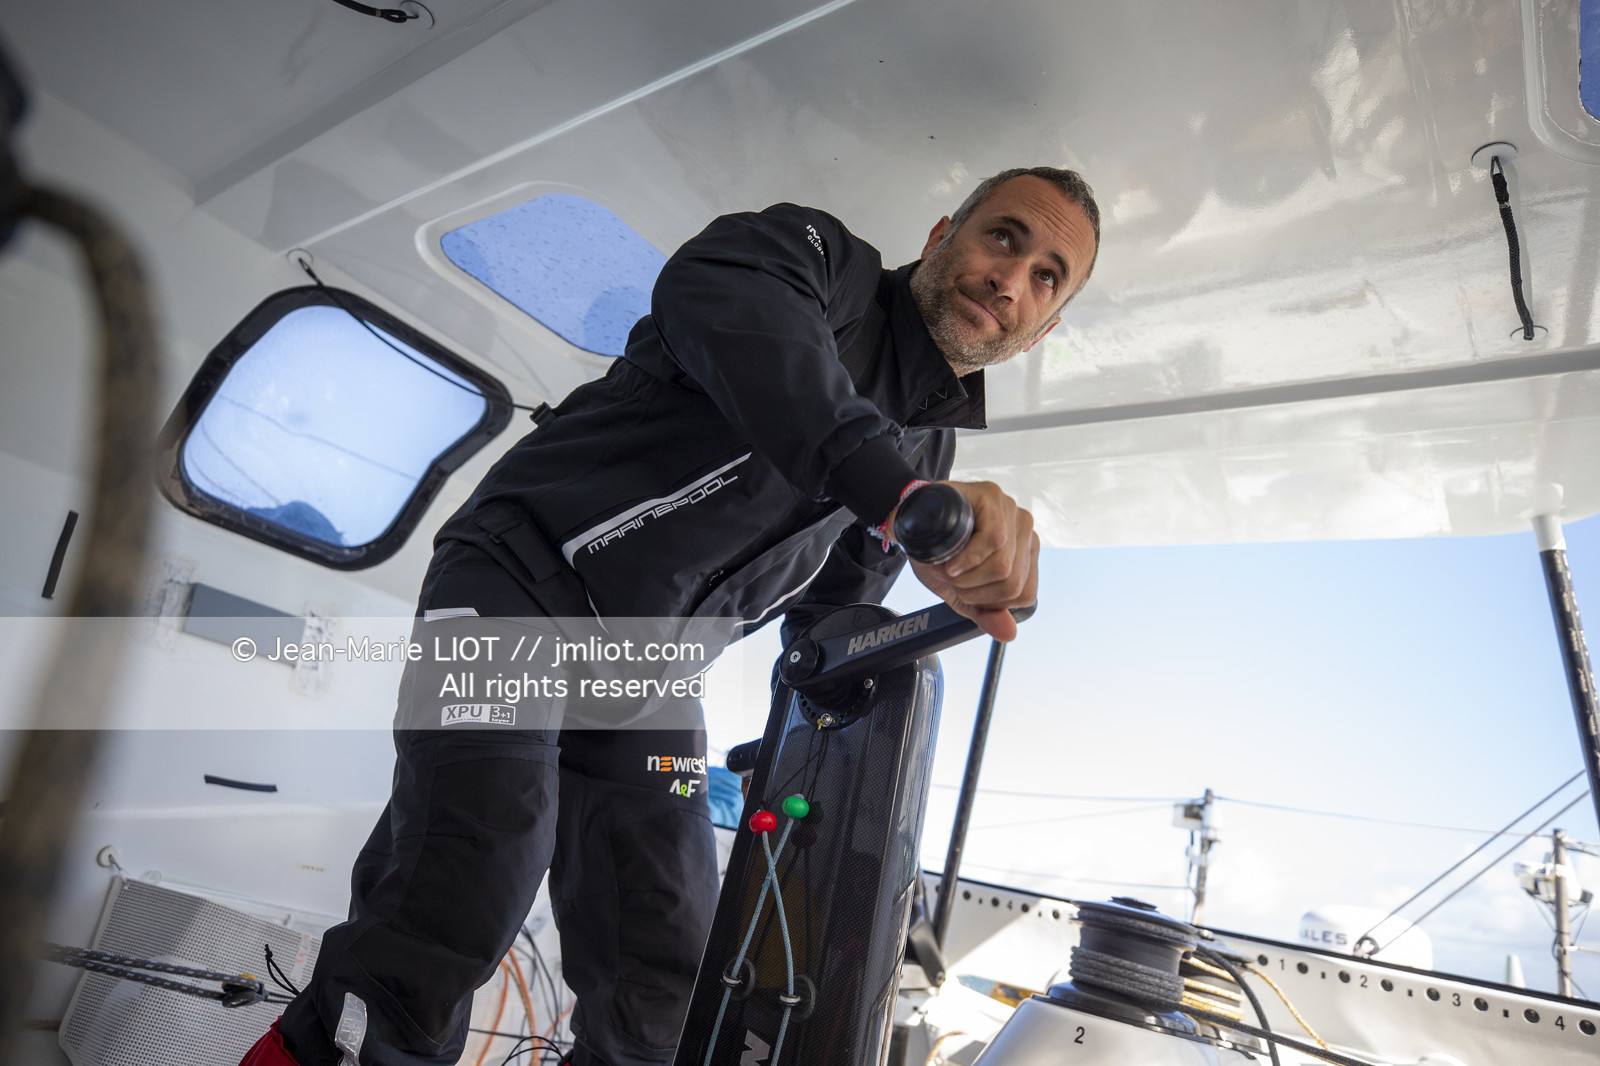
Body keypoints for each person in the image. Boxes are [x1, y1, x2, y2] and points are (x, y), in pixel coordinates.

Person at [241, 166, 1100, 1066]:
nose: (1013, 278)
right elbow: (723, 303)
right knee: (473, 863)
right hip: (516, 580)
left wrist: (910, 627)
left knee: (669, 964)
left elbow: (835, 612)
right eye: (1003, 237)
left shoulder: (929, 447)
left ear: (1046, 324)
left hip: (648, 685)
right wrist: (900, 496)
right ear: (940, 235)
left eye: (1048, 276)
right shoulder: (818, 264)